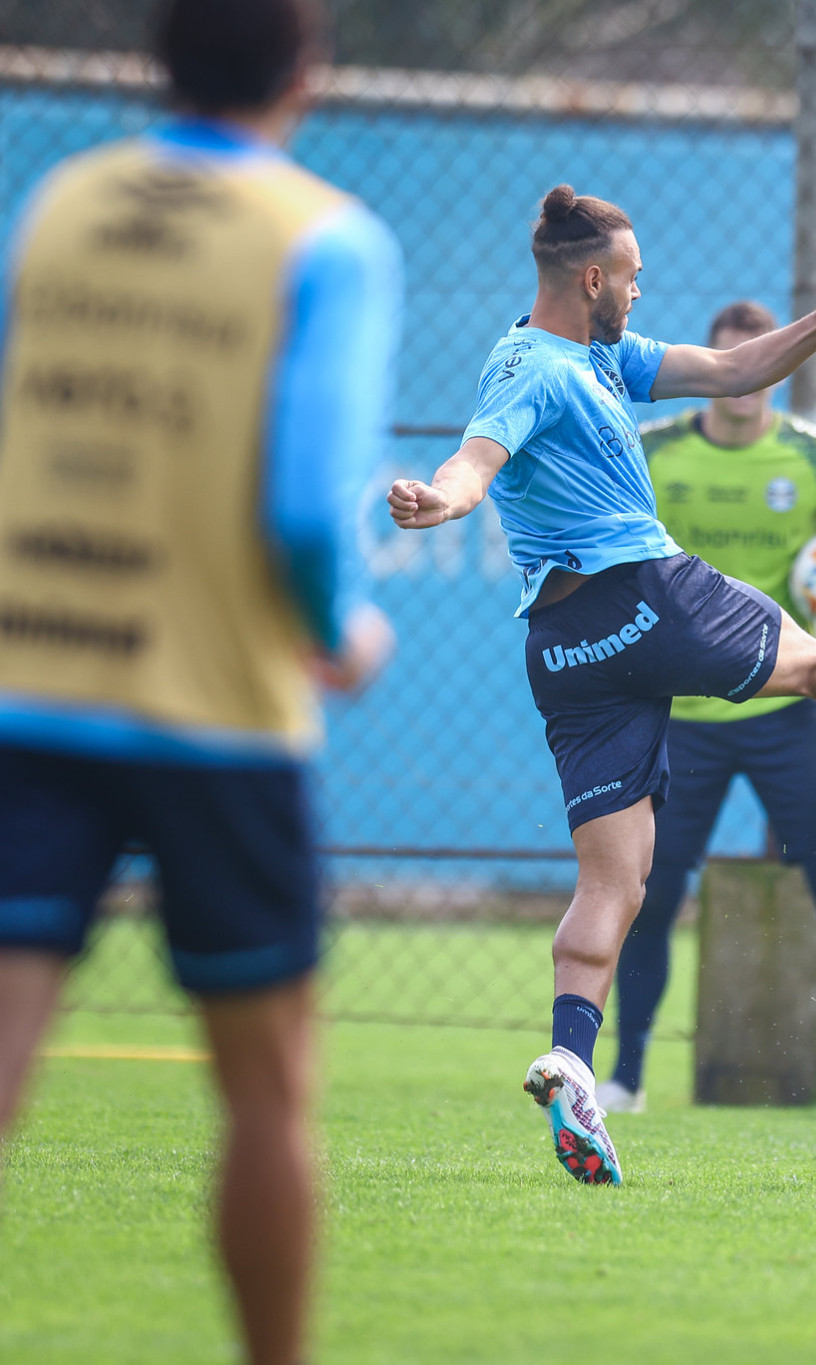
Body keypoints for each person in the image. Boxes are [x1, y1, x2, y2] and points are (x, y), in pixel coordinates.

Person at [386, 190, 816, 1185]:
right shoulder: (536, 370)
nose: (640, 289)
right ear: (593, 280)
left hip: (565, 647)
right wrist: (439, 498)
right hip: (643, 592)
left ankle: (573, 1064)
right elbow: (474, 460)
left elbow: (728, 367)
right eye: (631, 276)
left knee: (614, 881)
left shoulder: (596, 354)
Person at [0, 0, 402, 1360]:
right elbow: (301, 506)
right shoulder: (325, 239)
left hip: (31, 680)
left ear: (153, 58)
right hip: (216, 712)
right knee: (267, 1094)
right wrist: (340, 628)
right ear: (308, 70)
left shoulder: (59, 203)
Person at [598, 300, 816, 1124]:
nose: (742, 379)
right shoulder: (655, 454)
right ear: (710, 369)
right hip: (682, 718)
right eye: (726, 360)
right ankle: (625, 1077)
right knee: (649, 886)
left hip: (788, 706)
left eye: (758, 358)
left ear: (778, 368)